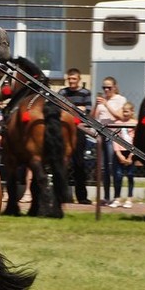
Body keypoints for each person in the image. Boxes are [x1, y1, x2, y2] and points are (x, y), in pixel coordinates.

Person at [59, 68, 92, 204]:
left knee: (79, 164)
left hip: (79, 130)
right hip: (64, 130)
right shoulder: (62, 92)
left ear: (79, 79)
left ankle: (82, 196)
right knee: (62, 164)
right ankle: (62, 195)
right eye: (69, 79)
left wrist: (69, 109)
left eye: (74, 79)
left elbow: (87, 111)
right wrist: (77, 109)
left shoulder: (86, 93)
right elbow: (58, 108)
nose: (71, 82)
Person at [93, 76, 127, 205]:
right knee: (103, 168)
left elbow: (119, 116)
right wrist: (97, 105)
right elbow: (93, 117)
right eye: (104, 87)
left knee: (113, 166)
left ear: (115, 87)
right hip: (101, 134)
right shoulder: (101, 101)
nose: (106, 90)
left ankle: (117, 196)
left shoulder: (120, 99)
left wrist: (106, 105)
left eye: (109, 87)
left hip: (113, 135)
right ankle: (106, 196)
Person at [109, 101, 137, 208]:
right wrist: (119, 154)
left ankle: (129, 198)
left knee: (130, 175)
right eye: (124, 112)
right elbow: (114, 139)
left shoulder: (135, 123)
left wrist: (131, 155)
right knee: (118, 176)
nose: (125, 114)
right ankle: (117, 198)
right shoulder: (117, 124)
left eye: (127, 112)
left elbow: (136, 140)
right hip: (120, 152)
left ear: (132, 112)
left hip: (131, 152)